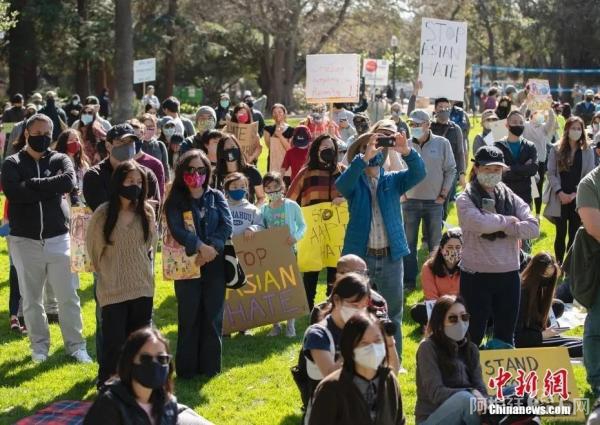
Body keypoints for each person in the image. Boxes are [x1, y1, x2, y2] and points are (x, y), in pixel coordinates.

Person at [1, 113, 91, 364]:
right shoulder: (12, 162)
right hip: (24, 240)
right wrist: (47, 189)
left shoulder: (60, 158)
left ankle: (77, 346)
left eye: (46, 134)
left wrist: (31, 184)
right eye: (37, 134)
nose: (42, 138)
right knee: (31, 300)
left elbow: (68, 181)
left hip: (58, 238)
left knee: (68, 297)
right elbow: (14, 193)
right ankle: (39, 347)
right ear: (27, 134)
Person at [337, 130, 426, 359]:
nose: (375, 150)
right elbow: (342, 186)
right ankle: (357, 356)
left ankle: (394, 359)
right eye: (369, 146)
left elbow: (419, 172)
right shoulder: (354, 182)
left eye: (378, 147)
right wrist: (363, 159)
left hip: (391, 256)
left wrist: (406, 151)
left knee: (393, 312)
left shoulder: (393, 180)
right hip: (361, 257)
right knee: (356, 309)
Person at [457, 146, 539, 346]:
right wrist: (509, 222)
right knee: (472, 336)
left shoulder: (510, 196)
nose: (492, 174)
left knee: (505, 336)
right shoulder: (465, 198)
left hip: (508, 274)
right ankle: (469, 376)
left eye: (497, 170)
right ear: (476, 169)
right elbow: (479, 223)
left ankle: (503, 378)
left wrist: (504, 226)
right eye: (487, 169)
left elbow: (533, 227)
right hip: (476, 277)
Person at [86, 160, 157, 385]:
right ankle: (108, 382)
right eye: (129, 181)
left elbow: (151, 246)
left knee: (140, 342)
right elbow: (94, 252)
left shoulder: (146, 211)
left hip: (142, 287)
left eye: (138, 181)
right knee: (114, 344)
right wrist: (110, 274)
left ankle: (138, 383)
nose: (134, 185)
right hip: (113, 289)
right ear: (119, 182)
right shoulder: (103, 214)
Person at [165, 149, 232, 378]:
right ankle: (187, 369)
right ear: (183, 171)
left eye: (201, 170)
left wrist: (211, 248)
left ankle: (210, 367)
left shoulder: (217, 197)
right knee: (189, 316)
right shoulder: (175, 199)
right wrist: (200, 247)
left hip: (215, 263)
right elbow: (177, 230)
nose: (196, 174)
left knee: (213, 316)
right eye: (191, 169)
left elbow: (226, 226)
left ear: (208, 171)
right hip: (187, 264)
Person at [84, 327, 214, 425]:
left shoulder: (168, 405)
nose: (154, 364)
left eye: (162, 359)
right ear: (130, 361)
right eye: (146, 358)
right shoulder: (109, 406)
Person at [307, 313, 404, 425]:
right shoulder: (331, 389)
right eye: (364, 343)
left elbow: (399, 421)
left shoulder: (389, 380)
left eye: (377, 341)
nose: (373, 348)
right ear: (350, 347)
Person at [287, 134, 346, 306]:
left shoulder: (342, 171)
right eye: (324, 147)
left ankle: (332, 302)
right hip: (312, 229)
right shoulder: (306, 172)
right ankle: (308, 304)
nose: (328, 150)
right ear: (316, 150)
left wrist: (343, 200)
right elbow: (290, 198)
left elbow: (354, 195)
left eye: (331, 148)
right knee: (311, 268)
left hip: (335, 230)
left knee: (335, 266)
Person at [403, 109, 456, 289]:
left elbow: (450, 170)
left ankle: (436, 280)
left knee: (435, 245)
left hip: (435, 202)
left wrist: (443, 194)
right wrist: (402, 193)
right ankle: (409, 281)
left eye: (417, 124)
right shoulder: (406, 145)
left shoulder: (442, 143)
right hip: (410, 202)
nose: (414, 127)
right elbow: (398, 170)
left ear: (428, 125)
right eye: (412, 124)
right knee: (409, 245)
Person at [415, 295, 487, 425]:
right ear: (440, 323)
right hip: (433, 418)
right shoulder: (427, 348)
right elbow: (436, 393)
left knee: (517, 395)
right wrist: (471, 392)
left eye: (464, 317)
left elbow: (480, 387)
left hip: (468, 411)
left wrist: (481, 398)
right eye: (453, 319)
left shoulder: (471, 349)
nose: (460, 323)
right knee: (466, 400)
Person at [302, 274, 370, 399]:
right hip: (328, 410)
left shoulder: (364, 330)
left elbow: (390, 372)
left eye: (363, 307)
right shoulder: (318, 335)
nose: (359, 312)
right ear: (337, 300)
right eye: (354, 305)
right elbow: (331, 377)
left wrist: (389, 343)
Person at [544, 116, 595, 263]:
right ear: (567, 129)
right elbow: (551, 173)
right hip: (559, 197)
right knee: (560, 233)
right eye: (573, 128)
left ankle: (569, 265)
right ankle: (558, 264)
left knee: (574, 233)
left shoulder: (587, 150)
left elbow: (589, 175)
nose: (576, 131)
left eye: (579, 128)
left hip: (578, 197)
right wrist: (560, 192)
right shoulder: (556, 149)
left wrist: (574, 194)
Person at [262, 172, 306, 337]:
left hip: (289, 253)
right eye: (268, 188)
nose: (272, 191)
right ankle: (276, 324)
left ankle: (290, 325)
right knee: (274, 289)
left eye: (275, 187)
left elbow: (303, 226)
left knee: (290, 288)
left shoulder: (291, 206)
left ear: (282, 187)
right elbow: (262, 229)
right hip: (272, 255)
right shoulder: (264, 210)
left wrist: (295, 237)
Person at [515, 252, 583, 358]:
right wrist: (542, 335)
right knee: (581, 347)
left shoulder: (539, 291)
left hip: (538, 335)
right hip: (527, 343)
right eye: (545, 275)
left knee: (583, 342)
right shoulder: (521, 293)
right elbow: (517, 338)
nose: (546, 281)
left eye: (550, 278)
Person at [83, 124, 161, 212]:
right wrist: (141, 207)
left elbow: (154, 211)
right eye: (121, 142)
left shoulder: (147, 175)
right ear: (108, 146)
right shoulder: (94, 175)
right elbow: (104, 211)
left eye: (131, 142)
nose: (127, 147)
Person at [575, 149, 600, 397]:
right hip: (597, 264)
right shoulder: (590, 184)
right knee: (597, 327)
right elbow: (595, 227)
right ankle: (598, 381)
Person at [410, 229, 463, 327]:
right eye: (450, 247)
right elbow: (431, 298)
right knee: (417, 310)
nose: (454, 251)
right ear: (442, 249)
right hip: (439, 307)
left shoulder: (467, 267)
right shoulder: (429, 267)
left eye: (458, 247)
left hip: (462, 307)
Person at [494, 110, 539, 207]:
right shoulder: (498, 146)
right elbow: (499, 171)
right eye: (514, 122)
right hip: (504, 194)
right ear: (507, 125)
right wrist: (523, 170)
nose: (518, 125)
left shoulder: (530, 146)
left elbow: (533, 169)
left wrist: (510, 168)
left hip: (525, 196)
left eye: (521, 122)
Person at [430, 98, 464, 217]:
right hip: (431, 172)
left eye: (446, 107)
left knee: (443, 205)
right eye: (440, 107)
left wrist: (462, 174)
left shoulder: (456, 129)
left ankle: (439, 230)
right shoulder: (429, 127)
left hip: (449, 174)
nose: (444, 110)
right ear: (435, 109)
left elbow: (460, 152)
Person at [523, 107, 556, 218]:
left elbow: (551, 120)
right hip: (527, 161)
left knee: (538, 187)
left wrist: (549, 107)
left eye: (540, 114)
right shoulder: (526, 125)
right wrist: (526, 104)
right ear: (531, 116)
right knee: (529, 187)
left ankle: (537, 214)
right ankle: (528, 211)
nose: (539, 116)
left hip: (540, 161)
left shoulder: (543, 127)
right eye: (536, 113)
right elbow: (520, 115)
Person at [215, 134, 265, 205]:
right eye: (226, 149)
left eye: (233, 147)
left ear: (238, 148)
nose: (230, 151)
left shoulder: (252, 171)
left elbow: (261, 197)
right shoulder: (216, 175)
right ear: (221, 153)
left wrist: (252, 212)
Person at [130, 119, 166, 199]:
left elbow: (159, 197)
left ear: (143, 136)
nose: (134, 142)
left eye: (137, 137)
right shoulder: (118, 162)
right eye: (131, 138)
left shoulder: (155, 164)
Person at [54, 129, 90, 205]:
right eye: (71, 140)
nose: (75, 142)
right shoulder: (57, 162)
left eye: (77, 139)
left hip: (81, 206)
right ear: (64, 143)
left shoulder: (83, 164)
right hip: (63, 203)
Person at [224, 172, 264, 237]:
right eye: (234, 187)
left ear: (246, 189)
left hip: (245, 245)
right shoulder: (221, 207)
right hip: (225, 245)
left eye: (242, 187)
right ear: (227, 189)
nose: (239, 189)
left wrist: (252, 229)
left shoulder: (252, 209)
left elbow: (261, 225)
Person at [264, 103, 294, 176]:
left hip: (286, 162)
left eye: (280, 112)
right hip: (272, 161)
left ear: (284, 113)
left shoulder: (291, 130)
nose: (277, 114)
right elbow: (269, 146)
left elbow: (289, 149)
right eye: (274, 112)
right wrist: (275, 133)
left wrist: (280, 136)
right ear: (272, 115)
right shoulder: (268, 129)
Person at [140, 113, 170, 182]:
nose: (149, 129)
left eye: (151, 126)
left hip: (157, 186)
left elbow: (165, 168)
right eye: (146, 127)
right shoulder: (135, 146)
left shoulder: (160, 145)